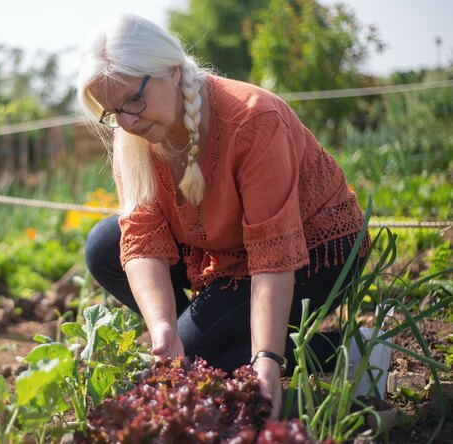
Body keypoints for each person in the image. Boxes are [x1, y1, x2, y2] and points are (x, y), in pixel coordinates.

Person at [77, 14, 369, 419]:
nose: (127, 121)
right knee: (105, 246)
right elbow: (142, 236)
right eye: (113, 112)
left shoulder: (253, 119)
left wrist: (266, 359)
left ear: (173, 72)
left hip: (315, 248)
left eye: (133, 100)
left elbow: (273, 255)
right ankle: (198, 344)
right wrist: (164, 328)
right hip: (228, 247)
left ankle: (354, 351)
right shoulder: (136, 138)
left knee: (198, 354)